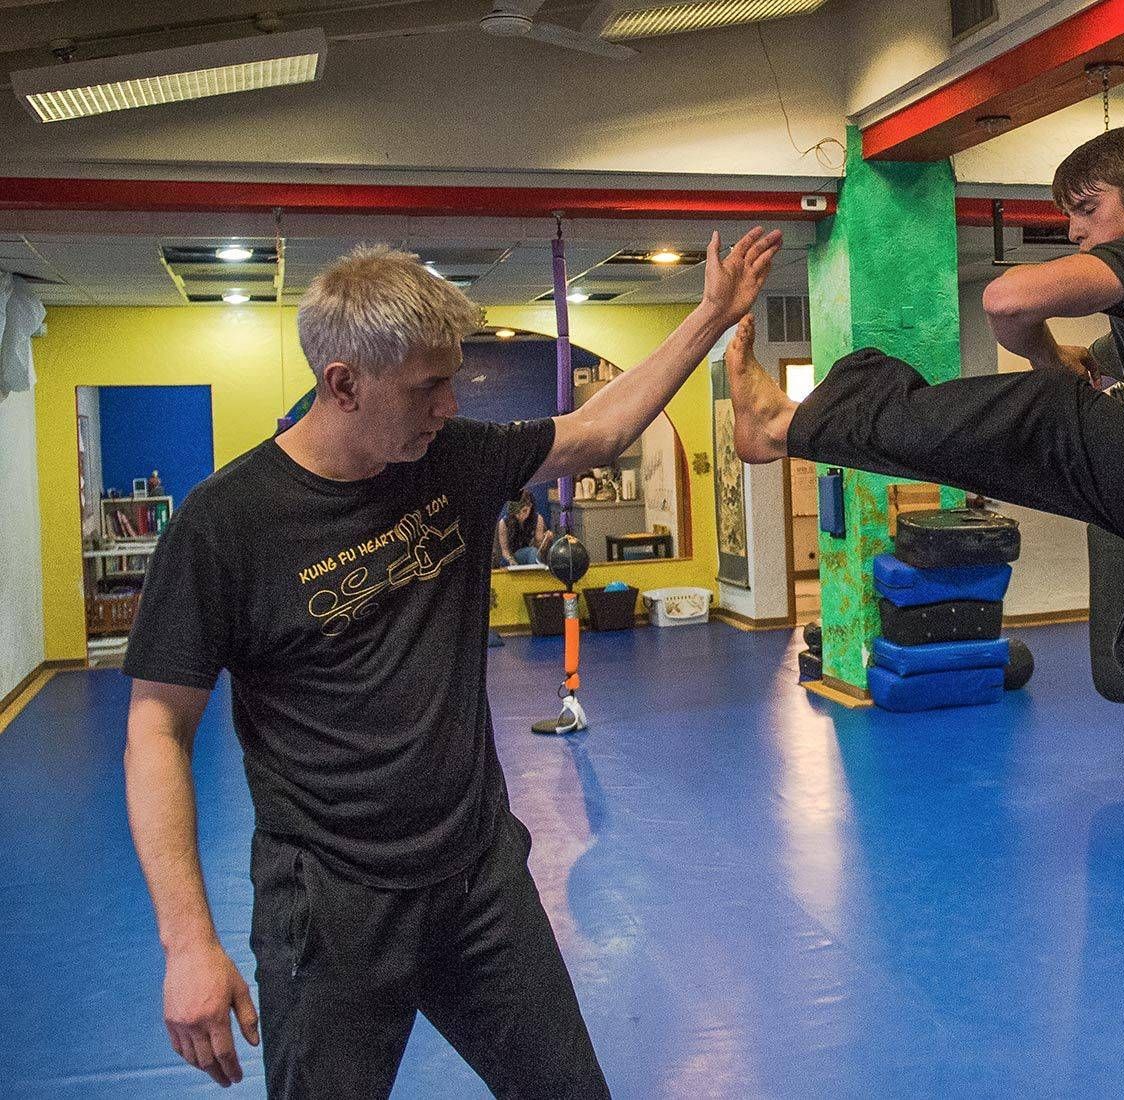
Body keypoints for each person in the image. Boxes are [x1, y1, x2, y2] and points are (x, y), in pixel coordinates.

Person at [123, 226, 781, 1095]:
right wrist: (188, 945)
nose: (447, 406)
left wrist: (707, 317)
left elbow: (594, 433)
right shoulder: (225, 525)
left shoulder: (452, 460)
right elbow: (157, 732)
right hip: (332, 904)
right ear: (343, 384)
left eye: (451, 383)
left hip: (478, 879)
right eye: (428, 387)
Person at [727, 126, 1124, 864]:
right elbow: (1113, 360)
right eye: (1070, 215)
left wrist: (1044, 359)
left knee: (1054, 418)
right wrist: (1076, 360)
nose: (1075, 229)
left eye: (1088, 208)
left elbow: (1006, 301)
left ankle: (787, 423)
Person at [498, 489, 549, 566]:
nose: (521, 515)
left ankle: (533, 574)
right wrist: (511, 560)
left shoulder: (538, 519)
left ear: (530, 506)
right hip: (510, 557)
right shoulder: (504, 522)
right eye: (517, 512)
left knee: (533, 552)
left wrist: (546, 540)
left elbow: (540, 549)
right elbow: (505, 550)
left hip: (531, 555)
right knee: (532, 552)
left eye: (525, 511)